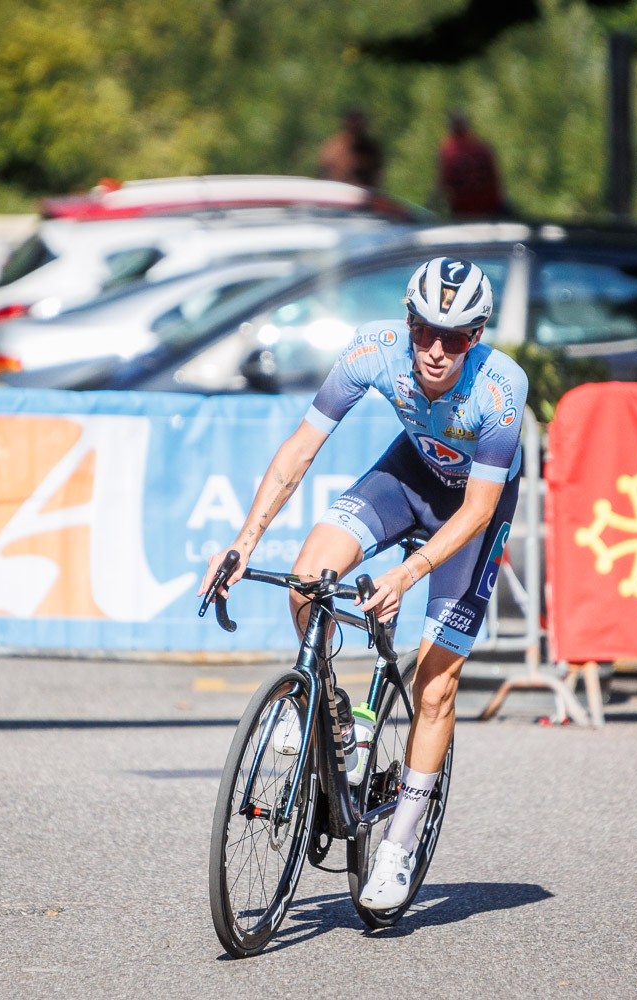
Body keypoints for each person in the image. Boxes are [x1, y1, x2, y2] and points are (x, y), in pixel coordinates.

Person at [197, 257, 527, 909]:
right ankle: (337, 719)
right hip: (407, 478)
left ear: (477, 336)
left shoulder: (500, 388)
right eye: (425, 331)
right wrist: (243, 542)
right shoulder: (373, 350)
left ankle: (400, 847)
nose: (435, 350)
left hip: (471, 512)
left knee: (437, 682)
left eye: (455, 338)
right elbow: (300, 449)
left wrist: (407, 573)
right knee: (305, 581)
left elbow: (479, 512)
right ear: (407, 323)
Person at [437, 109, 504, 218]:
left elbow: (441, 186)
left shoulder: (448, 149)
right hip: (491, 208)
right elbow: (497, 180)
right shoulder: (483, 146)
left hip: (463, 212)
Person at [318, 106, 384, 189]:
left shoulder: (371, 149)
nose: (356, 127)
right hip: (338, 194)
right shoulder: (333, 148)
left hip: (363, 196)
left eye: (359, 124)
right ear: (346, 123)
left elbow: (377, 178)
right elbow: (325, 174)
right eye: (354, 123)